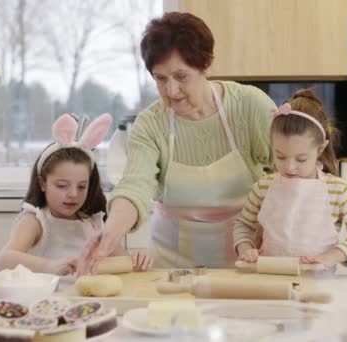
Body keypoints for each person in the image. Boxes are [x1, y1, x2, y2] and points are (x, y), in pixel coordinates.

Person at [78, 12, 276, 272]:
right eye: (160, 79)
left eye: (181, 77)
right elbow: (134, 187)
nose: (171, 91)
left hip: (246, 262)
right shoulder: (150, 124)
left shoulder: (250, 107)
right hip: (170, 268)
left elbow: (292, 176)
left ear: (205, 65)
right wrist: (109, 235)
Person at [233, 89, 347, 271]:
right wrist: (246, 248)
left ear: (320, 148)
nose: (289, 167)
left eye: (301, 159)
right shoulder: (263, 187)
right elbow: (243, 225)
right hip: (269, 279)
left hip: (320, 282)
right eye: (280, 157)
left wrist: (331, 257)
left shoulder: (338, 190)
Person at [0, 113, 153, 275]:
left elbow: (123, 262)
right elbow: (4, 260)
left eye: (81, 187)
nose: (73, 194)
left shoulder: (94, 223)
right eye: (62, 186)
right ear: (42, 183)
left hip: (88, 298)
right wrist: (49, 267)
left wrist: (136, 260)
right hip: (49, 299)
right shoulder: (36, 221)